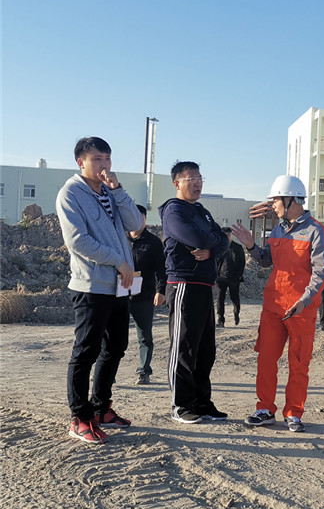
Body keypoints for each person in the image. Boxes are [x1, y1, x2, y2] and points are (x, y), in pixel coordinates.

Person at [56, 136, 143, 444]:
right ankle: (79, 418)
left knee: (116, 347)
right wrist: (119, 261)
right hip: (91, 286)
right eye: (97, 159)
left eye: (107, 158)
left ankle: (101, 408)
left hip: (118, 287)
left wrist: (118, 190)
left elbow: (135, 223)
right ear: (81, 162)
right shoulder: (70, 194)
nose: (104, 165)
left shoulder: (109, 191)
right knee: (86, 351)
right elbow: (77, 240)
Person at [231, 175, 324, 433]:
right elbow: (266, 260)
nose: (273, 205)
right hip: (273, 307)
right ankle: (265, 408)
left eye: (276, 200)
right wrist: (251, 246)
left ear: (290, 200)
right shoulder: (277, 230)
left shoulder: (316, 232)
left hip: (300, 309)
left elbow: (322, 272)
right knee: (265, 359)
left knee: (298, 363)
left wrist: (304, 300)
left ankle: (293, 413)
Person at [159, 161, 229, 424]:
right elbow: (199, 238)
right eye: (192, 179)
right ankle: (181, 405)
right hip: (184, 285)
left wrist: (212, 249)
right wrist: (212, 240)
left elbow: (223, 241)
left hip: (204, 285)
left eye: (200, 178)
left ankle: (202, 402)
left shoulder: (201, 211)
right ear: (177, 183)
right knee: (184, 347)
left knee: (205, 350)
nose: (198, 183)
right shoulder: (174, 210)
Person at [128, 204, 167, 385]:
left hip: (143, 295)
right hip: (119, 295)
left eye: (140, 218)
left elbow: (161, 269)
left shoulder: (153, 242)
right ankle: (107, 373)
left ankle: (144, 371)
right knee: (112, 335)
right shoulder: (120, 239)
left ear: (144, 219)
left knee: (144, 336)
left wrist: (160, 291)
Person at [216, 227, 246, 327]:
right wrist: (215, 274)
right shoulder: (219, 247)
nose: (227, 237)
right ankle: (221, 320)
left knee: (234, 297)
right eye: (225, 235)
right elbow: (216, 261)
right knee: (220, 298)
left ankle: (236, 314)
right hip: (221, 277)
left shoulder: (238, 247)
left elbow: (242, 263)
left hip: (234, 278)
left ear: (231, 235)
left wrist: (238, 276)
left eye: (228, 235)